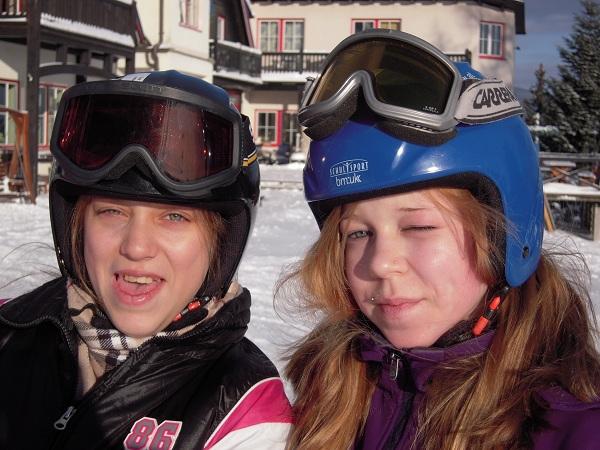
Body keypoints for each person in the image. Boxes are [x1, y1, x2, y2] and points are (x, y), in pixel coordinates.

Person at [282, 30, 600, 449]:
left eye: (418, 227)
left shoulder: (574, 427)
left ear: (503, 235)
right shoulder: (327, 395)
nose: (380, 264)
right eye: (358, 232)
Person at [0, 70, 292, 449]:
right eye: (111, 211)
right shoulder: (8, 334)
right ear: (76, 228)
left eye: (174, 217)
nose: (136, 247)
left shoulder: (243, 409)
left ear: (220, 244)